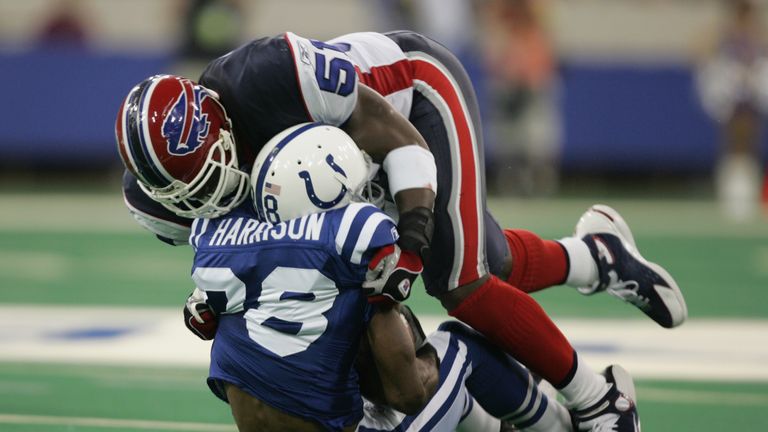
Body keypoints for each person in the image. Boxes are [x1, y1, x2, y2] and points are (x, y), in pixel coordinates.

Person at [117, 29, 685, 429]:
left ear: (219, 124)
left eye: (209, 176)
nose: (206, 201)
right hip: (340, 169)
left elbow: (399, 138)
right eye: (185, 194)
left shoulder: (268, 76)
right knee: (486, 260)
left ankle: (599, 399)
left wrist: (411, 245)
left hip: (414, 100)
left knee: (460, 281)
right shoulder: (161, 194)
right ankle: (597, 256)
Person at [186, 123, 579, 431]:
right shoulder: (353, 236)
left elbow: (207, 315)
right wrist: (415, 344)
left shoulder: (221, 242)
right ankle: (559, 426)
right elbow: (408, 394)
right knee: (457, 346)